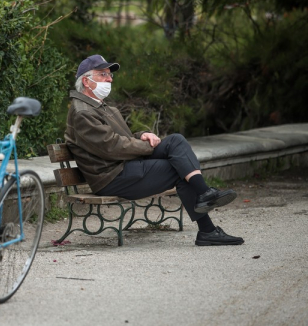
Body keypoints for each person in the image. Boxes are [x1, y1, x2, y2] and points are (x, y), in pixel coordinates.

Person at [65, 55, 244, 246]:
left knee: (176, 141)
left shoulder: (100, 106)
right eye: (103, 75)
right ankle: (207, 228)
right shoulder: (83, 112)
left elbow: (121, 137)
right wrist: (147, 147)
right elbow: (111, 147)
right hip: (111, 177)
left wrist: (143, 135)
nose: (109, 79)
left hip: (123, 165)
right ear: (86, 80)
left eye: (110, 75)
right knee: (179, 169)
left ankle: (205, 194)